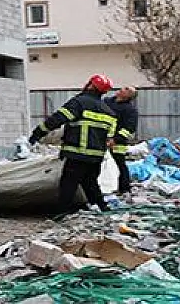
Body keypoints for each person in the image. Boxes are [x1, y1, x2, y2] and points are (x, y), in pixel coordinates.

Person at [28, 74, 117, 214]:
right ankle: (103, 208)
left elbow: (57, 119)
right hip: (96, 156)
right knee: (90, 183)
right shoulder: (109, 112)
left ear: (91, 85)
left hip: (78, 154)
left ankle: (62, 213)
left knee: (68, 184)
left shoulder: (79, 102)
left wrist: (38, 133)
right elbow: (109, 138)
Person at [104, 86, 138, 201]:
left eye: (126, 89)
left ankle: (124, 189)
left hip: (117, 143)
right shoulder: (107, 102)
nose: (122, 89)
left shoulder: (130, 110)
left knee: (120, 165)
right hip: (101, 139)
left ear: (129, 96)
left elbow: (129, 128)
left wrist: (115, 139)